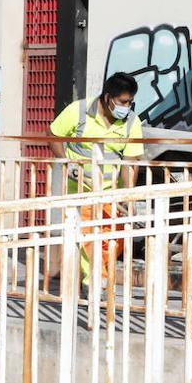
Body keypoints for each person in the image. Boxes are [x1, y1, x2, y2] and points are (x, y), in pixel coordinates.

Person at [50, 72, 144, 281]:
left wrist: (128, 196)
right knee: (89, 237)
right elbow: (54, 136)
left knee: (113, 240)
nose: (126, 107)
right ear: (108, 97)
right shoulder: (79, 111)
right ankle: (95, 282)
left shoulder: (131, 122)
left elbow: (130, 162)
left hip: (111, 191)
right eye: (123, 102)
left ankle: (96, 277)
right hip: (80, 188)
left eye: (130, 102)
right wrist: (68, 163)